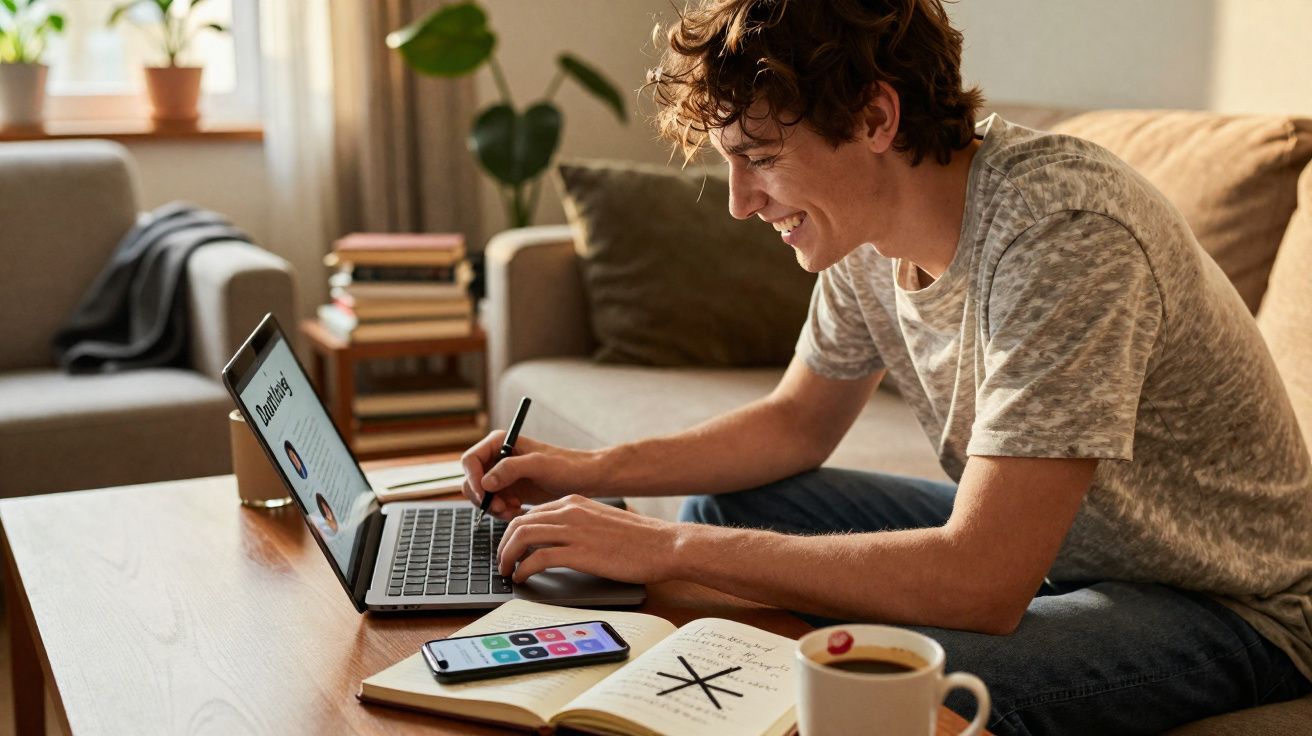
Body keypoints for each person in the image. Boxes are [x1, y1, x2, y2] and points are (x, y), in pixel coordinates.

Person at [460, 1, 1312, 732]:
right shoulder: (866, 233)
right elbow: (796, 424)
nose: (740, 203)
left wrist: (668, 547)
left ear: (875, 118)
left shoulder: (1064, 233)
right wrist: (588, 471)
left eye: (759, 157)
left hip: (1227, 601)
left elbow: (982, 581)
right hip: (1060, 549)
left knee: (901, 682)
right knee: (731, 507)